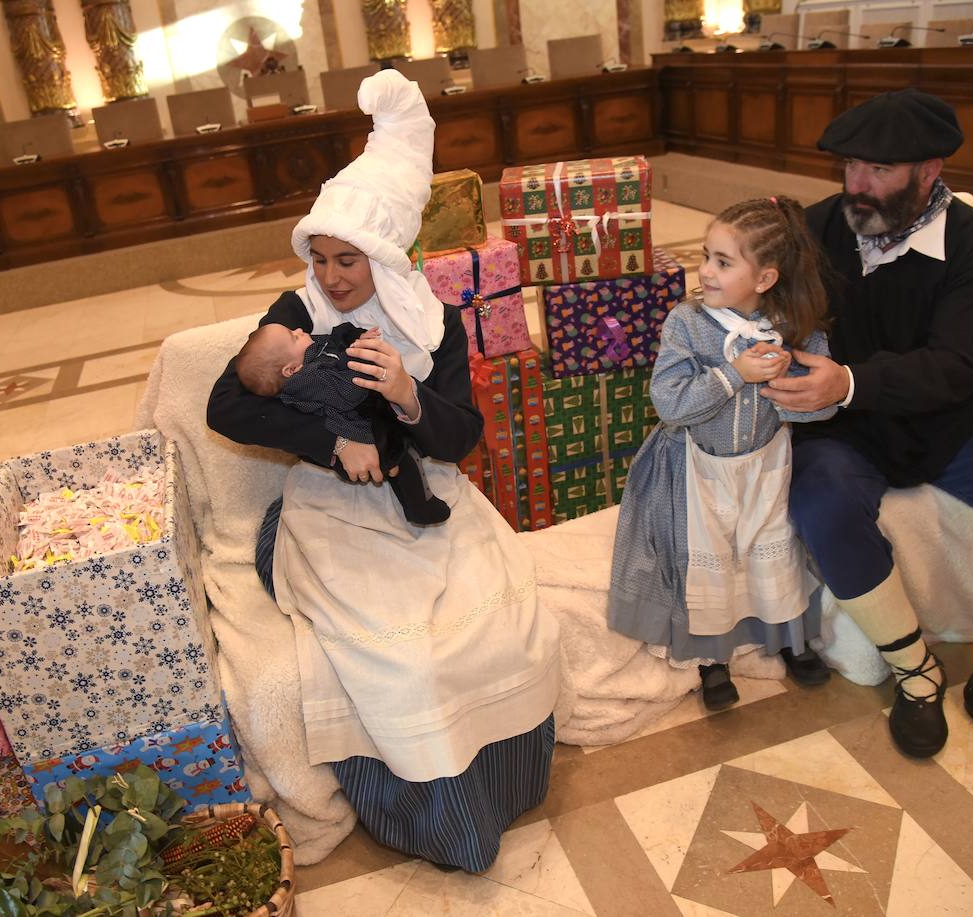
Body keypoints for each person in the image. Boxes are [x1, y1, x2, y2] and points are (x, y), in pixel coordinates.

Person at [205, 69, 561, 872]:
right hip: (334, 511)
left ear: (387, 257)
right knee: (402, 658)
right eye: (320, 257)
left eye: (350, 261)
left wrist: (405, 394)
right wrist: (337, 445)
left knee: (492, 626)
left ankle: (498, 793)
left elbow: (460, 437)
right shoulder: (297, 314)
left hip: (425, 497)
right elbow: (228, 406)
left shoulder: (431, 323)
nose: (332, 278)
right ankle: (435, 823)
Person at [762, 89, 973, 785]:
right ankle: (915, 671)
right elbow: (763, 302)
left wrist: (846, 381)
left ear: (929, 170)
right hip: (846, 425)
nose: (857, 186)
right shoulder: (819, 227)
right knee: (821, 502)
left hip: (951, 412)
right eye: (850, 167)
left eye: (878, 171)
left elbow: (955, 365)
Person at [608, 195, 836, 711]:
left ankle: (791, 641)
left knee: (771, 550)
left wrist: (784, 385)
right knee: (708, 563)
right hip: (695, 467)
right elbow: (669, 403)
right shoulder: (687, 323)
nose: (704, 270)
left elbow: (817, 410)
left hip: (765, 467)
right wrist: (734, 374)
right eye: (706, 255)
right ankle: (712, 659)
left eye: (723, 262)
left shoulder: (800, 331)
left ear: (765, 279)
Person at [234, 321, 451, 525]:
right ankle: (420, 508)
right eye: (294, 337)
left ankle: (412, 499)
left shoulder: (307, 358)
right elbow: (349, 392)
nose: (299, 330)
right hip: (361, 432)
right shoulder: (307, 381)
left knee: (402, 454)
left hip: (367, 417)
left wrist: (357, 341)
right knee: (403, 457)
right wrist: (366, 362)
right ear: (290, 370)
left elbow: (333, 346)